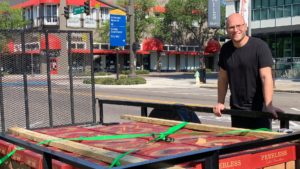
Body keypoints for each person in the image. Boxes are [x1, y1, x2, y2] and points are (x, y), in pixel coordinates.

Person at [213, 13, 283, 129]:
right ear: (227, 30)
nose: (235, 30)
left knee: (260, 146)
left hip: (259, 111)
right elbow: (223, 78)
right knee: (240, 145)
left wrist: (269, 105)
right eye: (231, 27)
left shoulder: (260, 47)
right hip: (237, 111)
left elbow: (266, 77)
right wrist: (220, 102)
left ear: (245, 26)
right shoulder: (225, 49)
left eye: (239, 26)